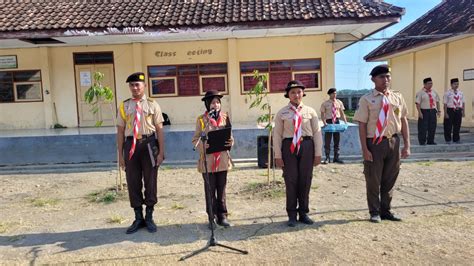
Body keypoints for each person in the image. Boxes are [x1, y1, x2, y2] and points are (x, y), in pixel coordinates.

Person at [353, 64, 410, 223]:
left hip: (393, 141)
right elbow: (362, 124)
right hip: (375, 143)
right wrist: (365, 149)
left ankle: (386, 210)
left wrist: (407, 145)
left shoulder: (397, 97)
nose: (386, 80)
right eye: (381, 77)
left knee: (390, 178)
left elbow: (403, 120)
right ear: (373, 79)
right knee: (373, 179)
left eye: (388, 76)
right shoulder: (366, 99)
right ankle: (374, 212)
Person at [116, 72, 165, 234]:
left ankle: (149, 216)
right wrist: (120, 156)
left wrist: (161, 152)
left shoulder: (153, 105)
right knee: (133, 181)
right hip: (131, 145)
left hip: (149, 144)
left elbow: (159, 129)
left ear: (144, 86)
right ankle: (138, 217)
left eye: (137, 84)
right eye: (132, 85)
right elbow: (120, 131)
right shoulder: (124, 106)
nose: (135, 88)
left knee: (151, 180)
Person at [273, 80, 323, 227]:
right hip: (289, 147)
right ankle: (292, 215)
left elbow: (317, 133)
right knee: (291, 180)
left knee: (305, 180)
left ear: (303, 93)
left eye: (299, 92)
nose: (296, 95)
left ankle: (303, 213)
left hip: (307, 146)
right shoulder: (282, 113)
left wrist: (318, 153)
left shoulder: (310, 111)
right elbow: (277, 135)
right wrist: (277, 155)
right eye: (293, 92)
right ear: (288, 95)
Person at [192, 90, 234, 229]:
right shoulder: (201, 120)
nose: (215, 105)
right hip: (208, 161)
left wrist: (230, 142)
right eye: (212, 103)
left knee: (221, 189)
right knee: (210, 190)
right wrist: (203, 144)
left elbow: (230, 136)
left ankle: (222, 216)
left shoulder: (225, 117)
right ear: (207, 104)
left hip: (222, 159)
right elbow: (195, 139)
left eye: (217, 102)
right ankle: (212, 217)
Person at [320, 88, 348, 164]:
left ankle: (336, 157)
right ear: (330, 94)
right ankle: (327, 158)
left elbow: (342, 113)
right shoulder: (325, 103)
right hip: (329, 122)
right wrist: (324, 122)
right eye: (333, 93)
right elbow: (322, 114)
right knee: (328, 140)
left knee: (337, 140)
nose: (335, 95)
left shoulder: (339, 102)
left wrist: (345, 122)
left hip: (337, 121)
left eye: (336, 93)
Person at [415, 77, 440, 145]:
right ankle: (422, 141)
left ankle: (430, 141)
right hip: (424, 111)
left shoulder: (434, 92)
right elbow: (417, 103)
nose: (430, 85)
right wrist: (420, 112)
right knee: (423, 127)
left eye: (431, 83)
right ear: (424, 84)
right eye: (429, 83)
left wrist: (438, 110)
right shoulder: (420, 93)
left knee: (432, 126)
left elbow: (437, 101)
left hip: (433, 111)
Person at [443, 78, 465, 144]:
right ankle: (448, 139)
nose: (456, 85)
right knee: (448, 126)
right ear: (451, 85)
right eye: (455, 84)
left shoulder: (461, 93)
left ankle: (456, 139)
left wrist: (463, 111)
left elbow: (463, 102)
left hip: (458, 110)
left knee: (457, 125)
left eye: (457, 84)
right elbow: (445, 104)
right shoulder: (447, 93)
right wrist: (445, 113)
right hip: (450, 110)